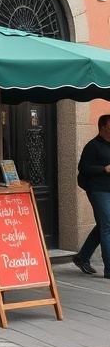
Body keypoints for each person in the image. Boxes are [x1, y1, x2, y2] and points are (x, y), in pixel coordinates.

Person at [73, 115, 110, 277]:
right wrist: (104, 169)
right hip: (98, 190)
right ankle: (109, 268)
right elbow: (83, 167)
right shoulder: (93, 146)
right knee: (107, 227)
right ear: (103, 126)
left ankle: (82, 257)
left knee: (104, 225)